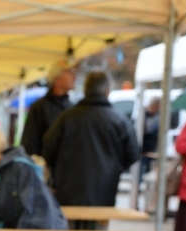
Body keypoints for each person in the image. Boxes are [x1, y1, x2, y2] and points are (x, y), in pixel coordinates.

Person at [43, 72, 140, 206]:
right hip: (105, 191)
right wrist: (113, 168)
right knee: (98, 226)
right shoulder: (119, 120)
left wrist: (61, 170)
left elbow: (48, 149)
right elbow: (133, 153)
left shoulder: (66, 118)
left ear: (85, 90)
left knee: (68, 226)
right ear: (107, 91)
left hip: (68, 191)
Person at [20, 59, 76, 158]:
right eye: (69, 73)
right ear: (57, 78)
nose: (74, 77)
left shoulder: (72, 108)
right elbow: (29, 144)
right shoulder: (39, 108)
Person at [140, 97, 161, 184]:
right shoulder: (142, 116)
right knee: (140, 173)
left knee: (149, 175)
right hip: (142, 152)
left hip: (152, 151)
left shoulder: (157, 116)